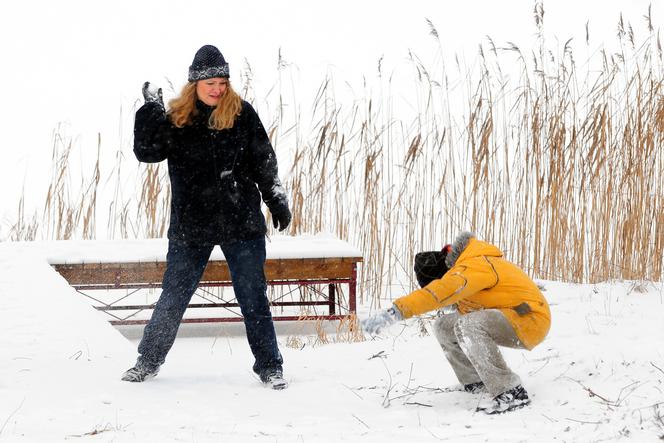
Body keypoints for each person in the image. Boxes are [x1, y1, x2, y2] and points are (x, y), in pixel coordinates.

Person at [122, 44, 292, 390]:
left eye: (222, 82)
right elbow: (146, 151)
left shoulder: (242, 114)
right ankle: (148, 361)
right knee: (174, 295)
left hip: (241, 221)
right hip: (192, 224)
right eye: (210, 82)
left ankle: (270, 366)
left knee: (253, 296)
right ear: (194, 84)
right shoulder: (178, 119)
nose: (217, 88)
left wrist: (276, 199)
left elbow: (264, 160)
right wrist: (151, 109)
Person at [362, 232, 551, 414]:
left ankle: (510, 393)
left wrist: (395, 312)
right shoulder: (467, 264)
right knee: (445, 326)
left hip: (529, 318)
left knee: (468, 325)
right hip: (510, 315)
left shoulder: (475, 265)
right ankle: (476, 381)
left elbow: (441, 292)